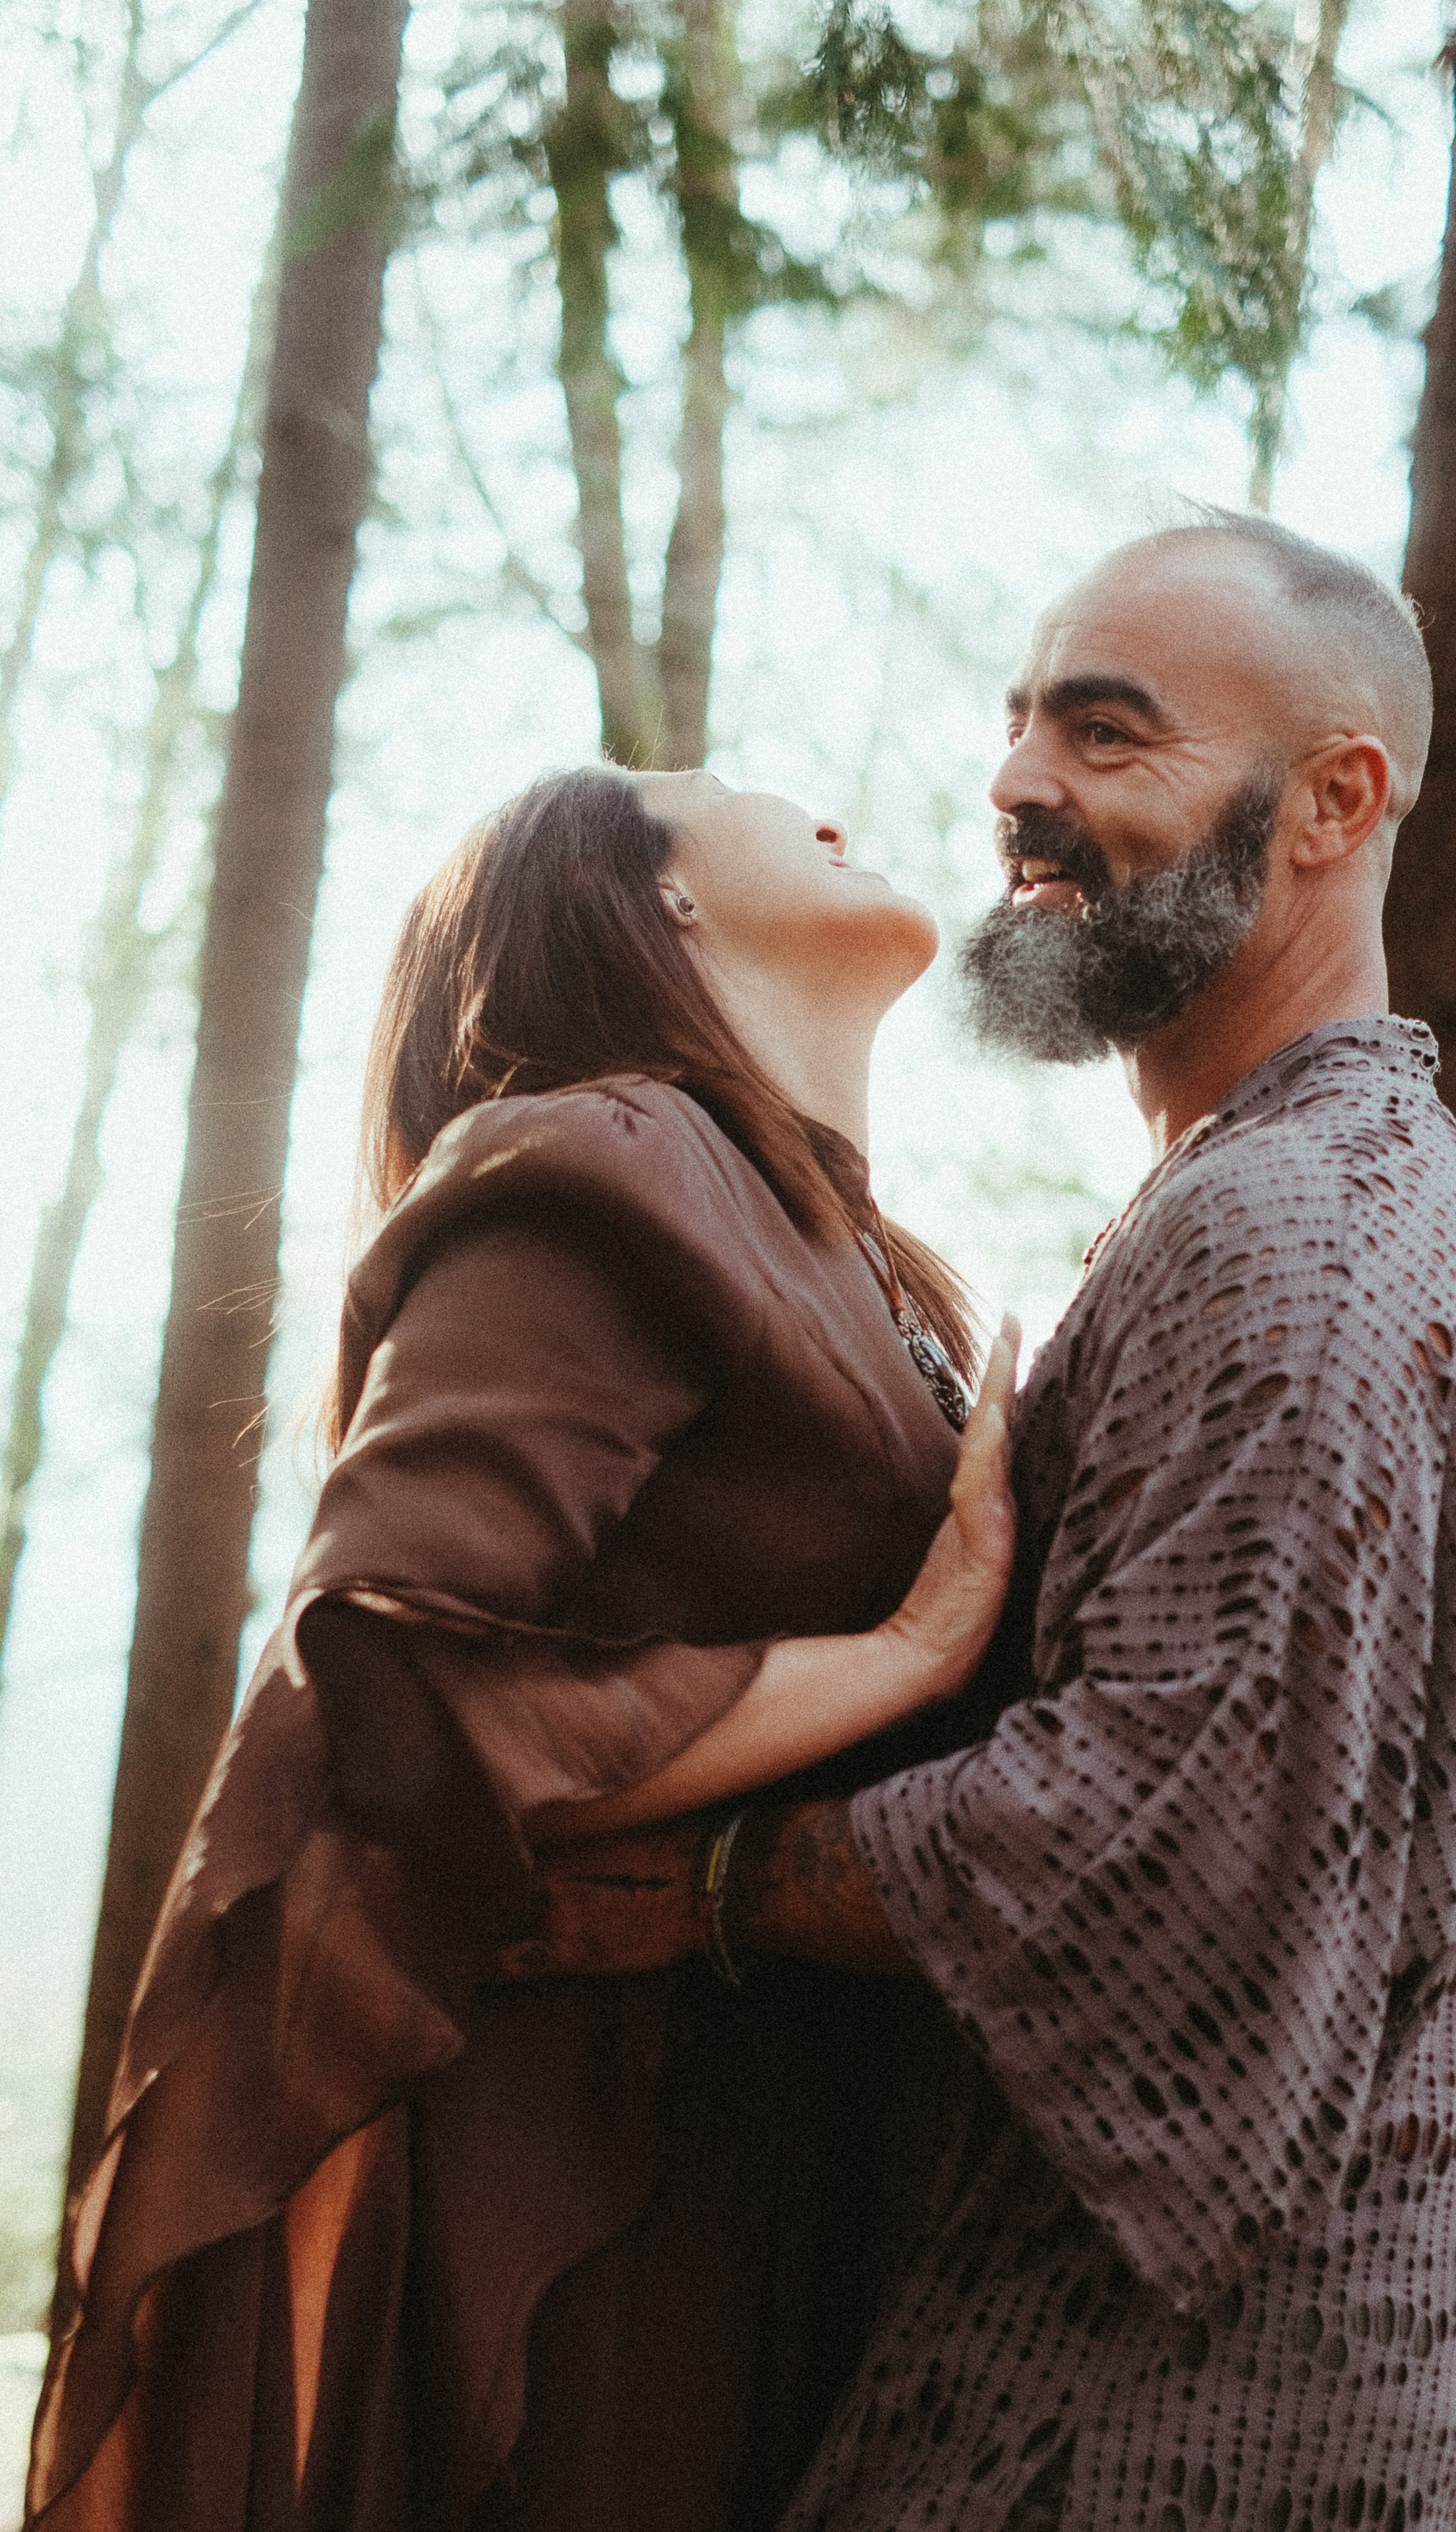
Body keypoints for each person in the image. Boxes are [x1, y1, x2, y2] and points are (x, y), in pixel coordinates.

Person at [521, 510, 1456, 2532]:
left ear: (1338, 799)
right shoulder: (1282, 1190)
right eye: (1018, 723)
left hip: (1163, 2442)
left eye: (1109, 732)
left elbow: (1154, 1854)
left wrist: (679, 1882)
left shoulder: (1296, 1246)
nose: (1016, 784)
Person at [27, 766, 1021, 2532]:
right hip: (599, 2197)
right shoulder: (604, 1150)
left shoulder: (863, 1261)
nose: (808, 797)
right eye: (717, 787)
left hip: (790, 2155)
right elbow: (402, 1669)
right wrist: (911, 1648)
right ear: (649, 903)